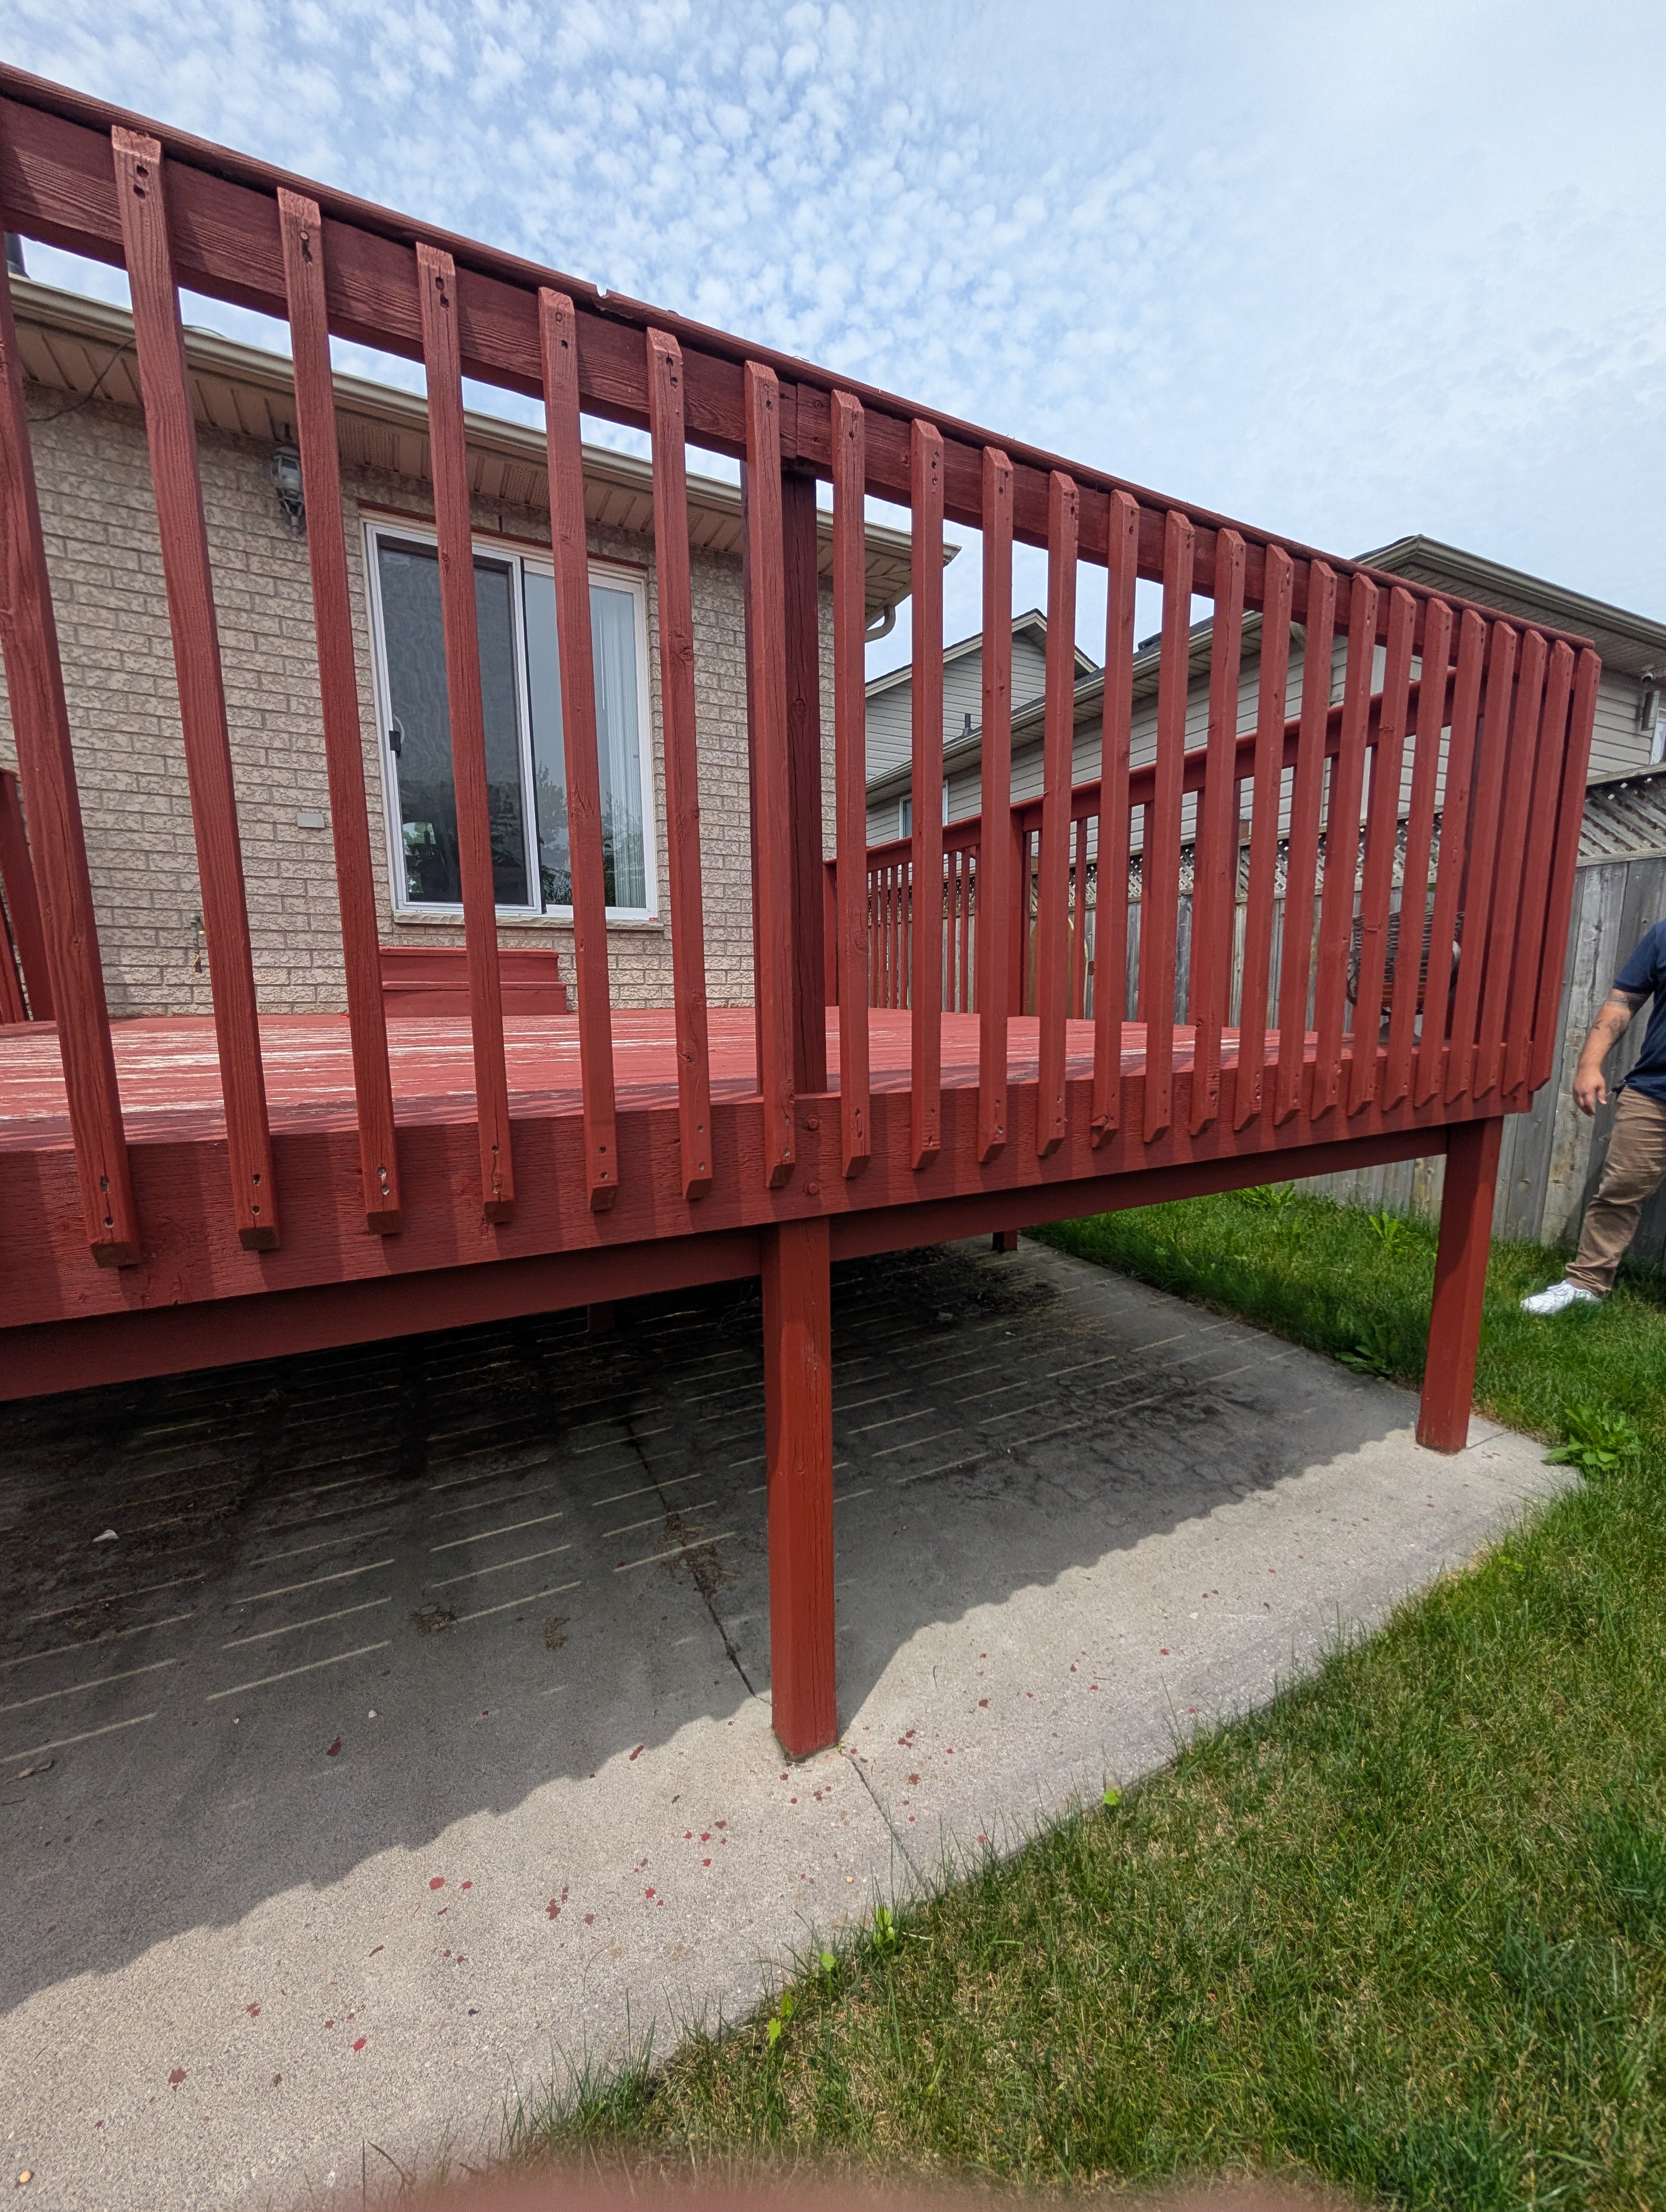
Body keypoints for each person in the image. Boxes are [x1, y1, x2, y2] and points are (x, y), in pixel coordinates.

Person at [1521, 917, 1666, 1313]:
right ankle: (1586, 1283)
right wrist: (1589, 1064)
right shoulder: (1663, 934)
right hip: (1653, 1092)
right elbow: (1624, 1000)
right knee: (1620, 1190)